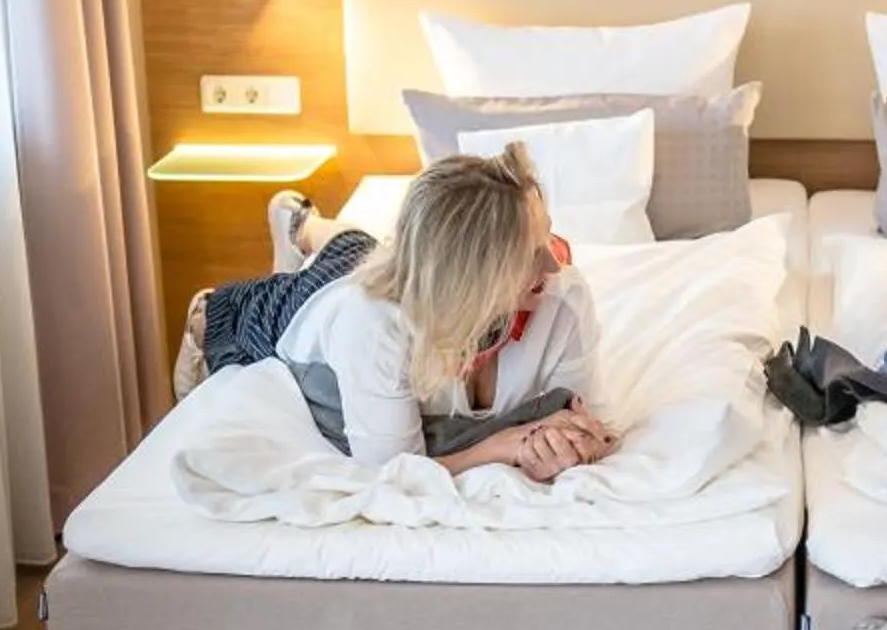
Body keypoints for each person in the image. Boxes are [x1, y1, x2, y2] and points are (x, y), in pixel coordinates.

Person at [172, 147, 617, 482]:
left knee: (358, 248)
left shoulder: (562, 295)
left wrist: (574, 442)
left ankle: (304, 225)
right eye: (529, 254)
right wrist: (503, 446)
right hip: (279, 312)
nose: (554, 265)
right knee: (347, 269)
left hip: (396, 273)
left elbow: (583, 423)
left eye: (548, 237)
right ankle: (295, 233)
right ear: (470, 275)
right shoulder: (372, 322)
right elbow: (390, 472)